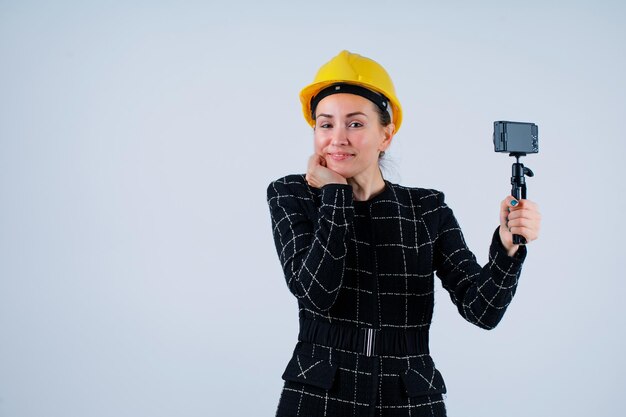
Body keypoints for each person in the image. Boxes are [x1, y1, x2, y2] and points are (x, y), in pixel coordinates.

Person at [266, 50, 541, 417]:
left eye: (356, 124)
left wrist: (507, 250)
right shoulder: (292, 195)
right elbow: (316, 292)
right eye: (325, 124)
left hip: (408, 396)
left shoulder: (426, 209)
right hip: (320, 393)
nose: (337, 138)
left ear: (386, 135)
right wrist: (335, 194)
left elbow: (483, 311)